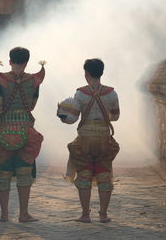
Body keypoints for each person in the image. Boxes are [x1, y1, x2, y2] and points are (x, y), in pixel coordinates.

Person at [0, 47, 45, 222]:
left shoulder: (0, 80)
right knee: (24, 173)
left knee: (4, 173)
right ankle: (23, 214)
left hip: (4, 131)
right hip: (26, 130)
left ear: (9, 61)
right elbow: (31, 105)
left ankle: (4, 214)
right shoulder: (34, 80)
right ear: (26, 62)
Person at [58, 58, 120, 223]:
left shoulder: (80, 94)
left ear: (86, 73)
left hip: (84, 139)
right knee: (104, 174)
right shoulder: (111, 93)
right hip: (104, 138)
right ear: (101, 72)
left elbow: (72, 119)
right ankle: (103, 215)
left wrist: (63, 116)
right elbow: (116, 116)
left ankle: (85, 215)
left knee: (84, 175)